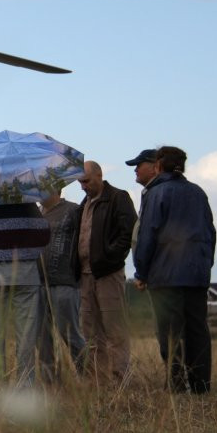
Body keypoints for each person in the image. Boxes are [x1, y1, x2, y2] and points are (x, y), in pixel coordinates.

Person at [133, 146, 216, 393]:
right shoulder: (198, 193)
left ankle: (178, 387)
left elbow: (147, 236)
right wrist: (205, 264)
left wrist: (141, 272)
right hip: (197, 274)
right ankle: (201, 388)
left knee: (170, 334)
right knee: (198, 331)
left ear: (158, 165)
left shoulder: (156, 193)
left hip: (165, 275)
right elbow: (210, 233)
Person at [0, 200, 50, 387]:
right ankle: (25, 388)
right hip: (25, 273)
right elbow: (44, 234)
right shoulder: (25, 197)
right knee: (26, 336)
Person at [75, 161, 137, 384]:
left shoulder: (118, 197)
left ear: (100, 175)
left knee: (114, 329)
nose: (83, 186)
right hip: (85, 274)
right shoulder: (84, 203)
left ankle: (119, 379)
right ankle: (98, 380)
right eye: (80, 182)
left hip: (108, 273)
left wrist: (110, 257)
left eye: (86, 181)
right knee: (90, 332)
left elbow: (128, 232)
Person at [38, 189, 86, 383]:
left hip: (64, 281)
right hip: (39, 283)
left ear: (56, 189)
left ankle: (88, 376)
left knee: (70, 334)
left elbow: (84, 242)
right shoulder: (36, 213)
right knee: (42, 337)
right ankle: (51, 382)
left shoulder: (73, 211)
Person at [126, 148, 158, 251]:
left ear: (155, 167)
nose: (135, 170)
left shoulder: (159, 194)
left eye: (139, 165)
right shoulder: (150, 192)